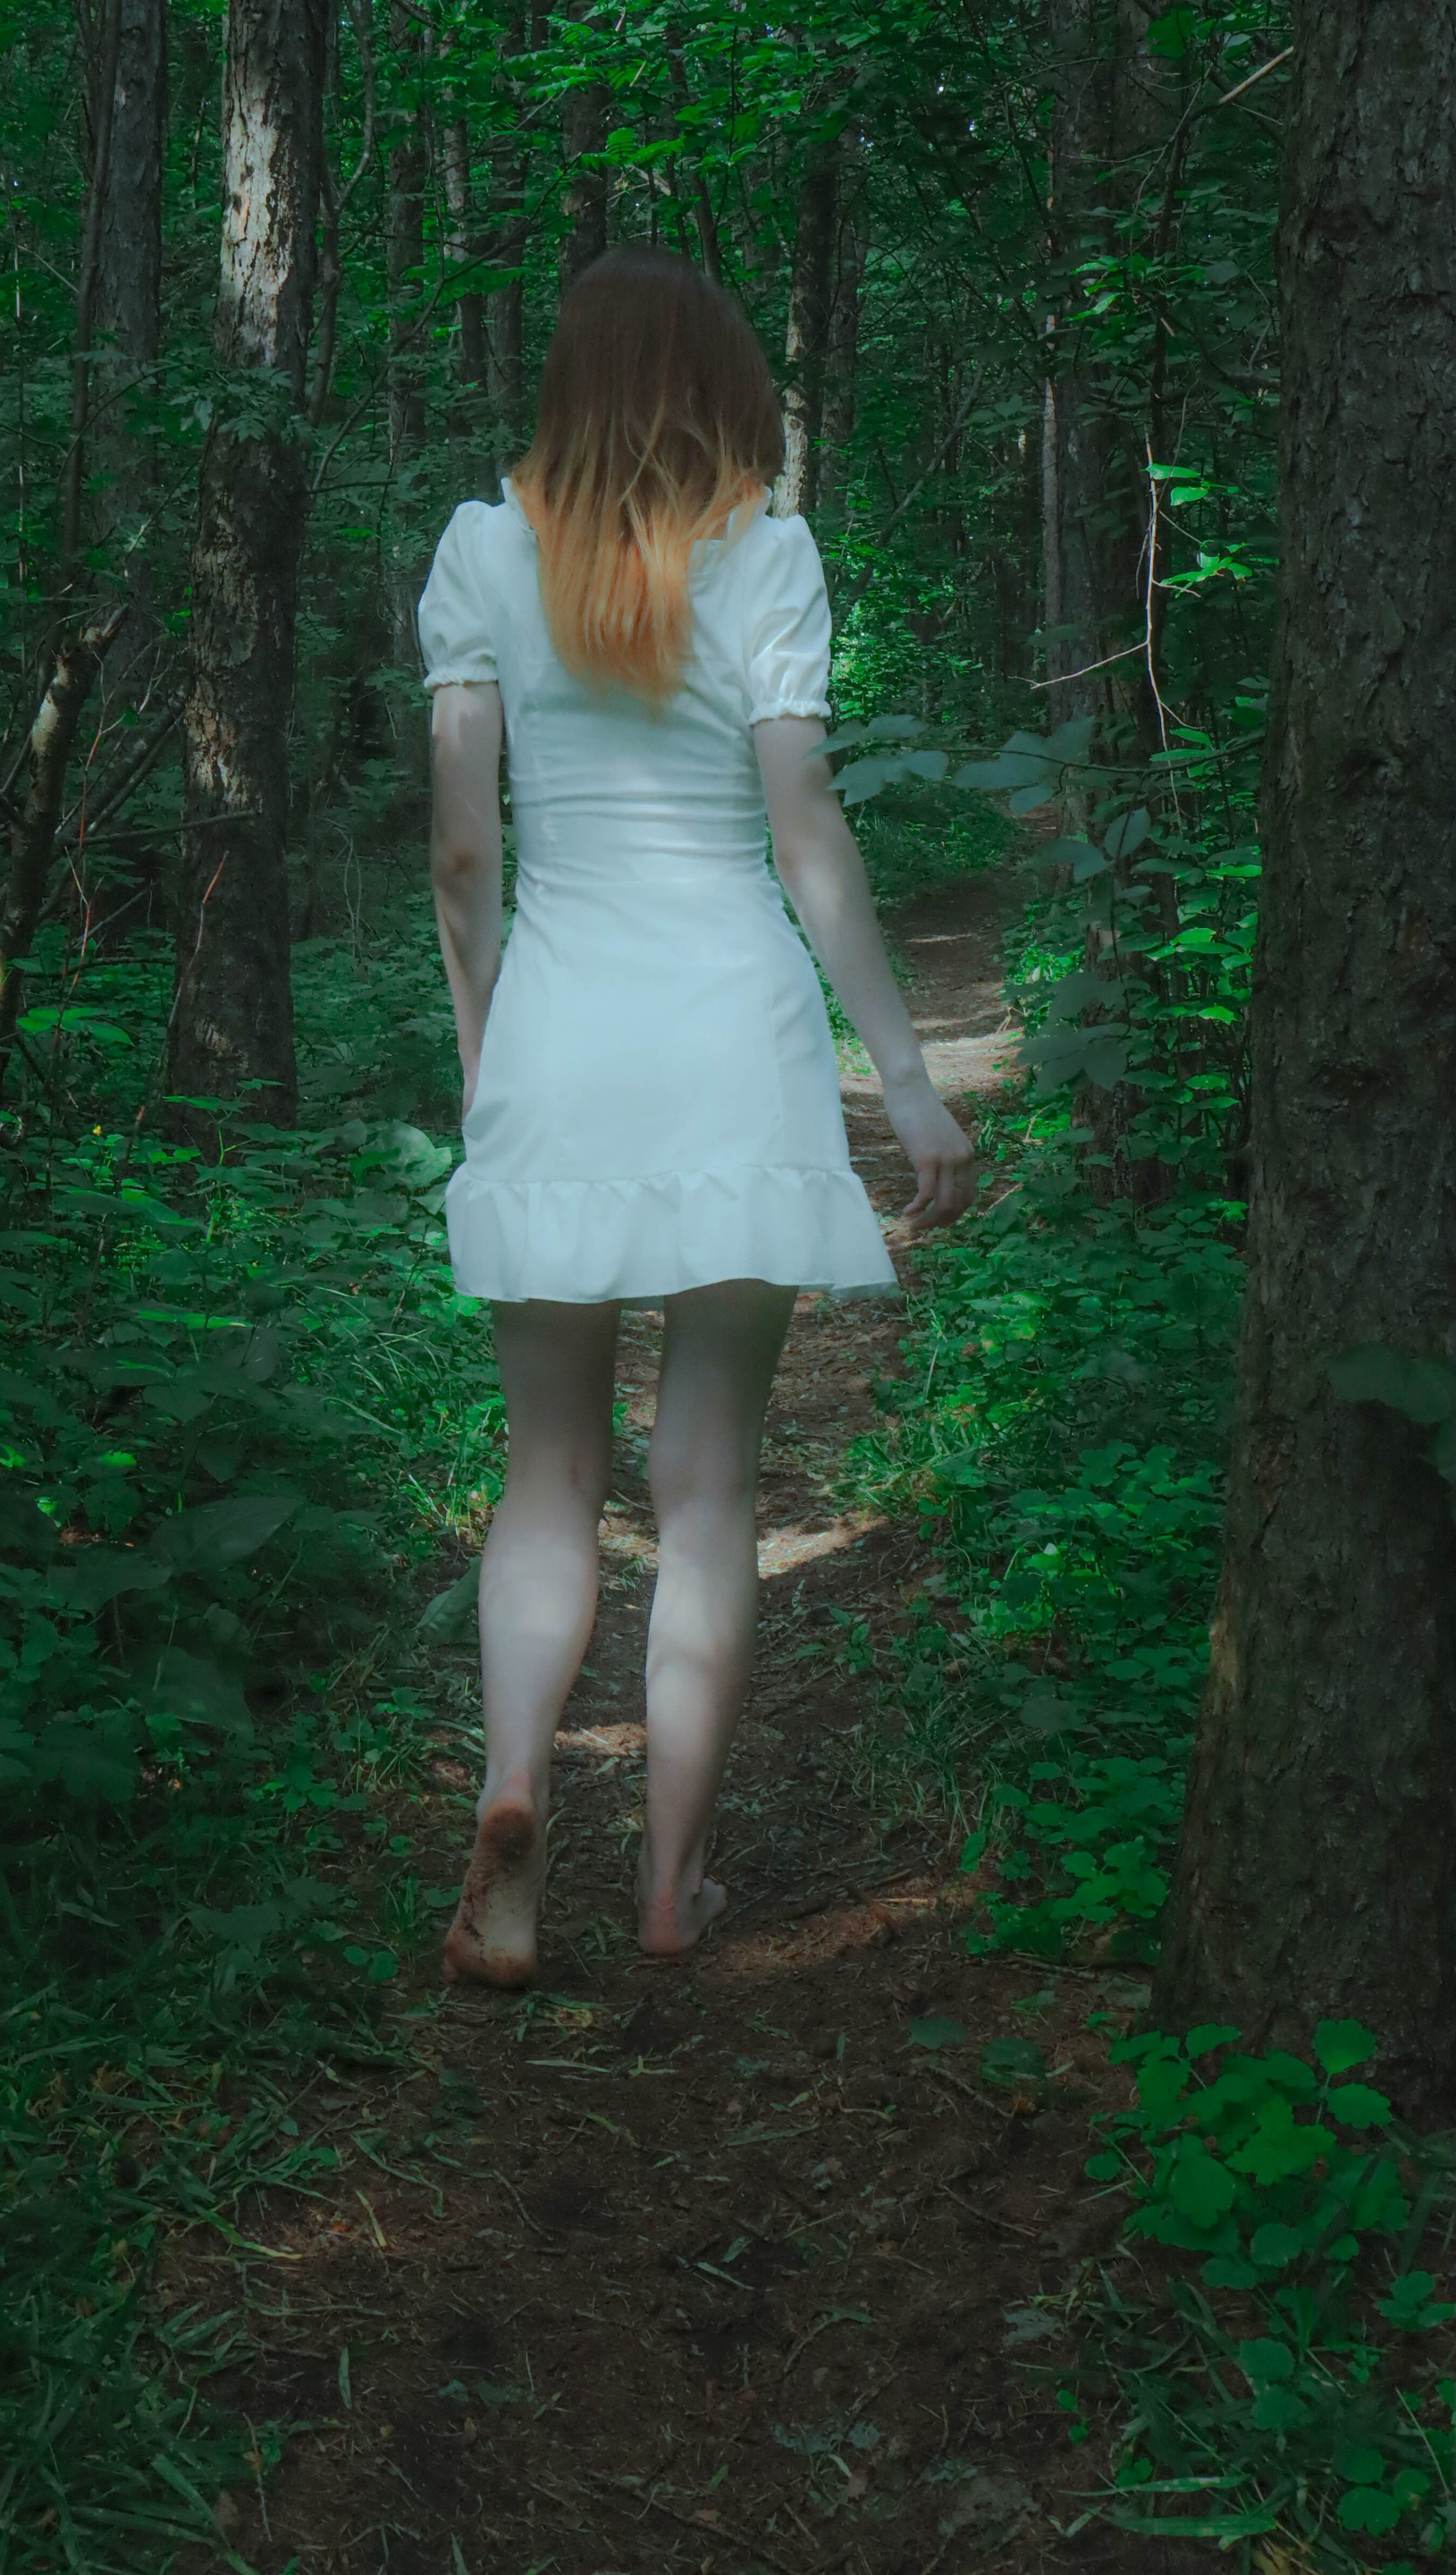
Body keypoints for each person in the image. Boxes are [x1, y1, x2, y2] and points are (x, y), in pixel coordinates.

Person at [418, 244, 974, 1988]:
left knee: (549, 1473)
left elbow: (462, 850)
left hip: (560, 1034)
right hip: (736, 1040)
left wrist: (485, 1056)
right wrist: (904, 1077)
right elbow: (808, 831)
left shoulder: (483, 550)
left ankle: (515, 1788)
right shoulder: (768, 555)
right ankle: (670, 1888)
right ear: (723, 381)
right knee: (710, 1483)